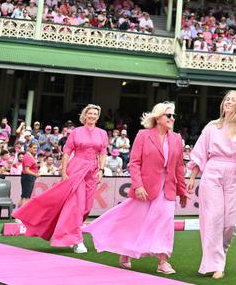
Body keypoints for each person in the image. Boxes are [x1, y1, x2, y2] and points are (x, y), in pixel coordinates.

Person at [83, 102, 187, 274]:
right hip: (146, 188)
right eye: (169, 115)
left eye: (174, 115)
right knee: (134, 220)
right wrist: (138, 185)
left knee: (166, 221)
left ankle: (163, 261)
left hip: (167, 188)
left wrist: (182, 191)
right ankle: (126, 252)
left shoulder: (176, 138)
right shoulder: (143, 135)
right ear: (158, 117)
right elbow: (134, 163)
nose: (172, 118)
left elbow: (179, 167)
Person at [13, 104, 108, 253]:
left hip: (93, 171)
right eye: (90, 113)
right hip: (76, 169)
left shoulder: (102, 133)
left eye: (95, 114)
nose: (92, 116)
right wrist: (64, 172)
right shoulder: (76, 132)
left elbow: (103, 153)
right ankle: (76, 240)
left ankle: (67, 233)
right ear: (85, 115)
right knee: (76, 205)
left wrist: (101, 170)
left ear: (98, 116)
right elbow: (67, 153)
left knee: (86, 208)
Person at [187, 90, 236, 279]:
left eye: (233, 100)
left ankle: (219, 253)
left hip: (235, 175)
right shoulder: (212, 127)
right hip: (212, 172)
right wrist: (192, 177)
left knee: (230, 224)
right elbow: (200, 152)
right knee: (213, 219)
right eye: (226, 99)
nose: (228, 102)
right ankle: (216, 264)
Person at [19, 143, 40, 208]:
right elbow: (27, 170)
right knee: (26, 197)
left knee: (23, 196)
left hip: (28, 177)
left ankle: (16, 214)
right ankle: (21, 215)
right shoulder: (28, 157)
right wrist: (35, 174)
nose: (35, 149)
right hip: (28, 177)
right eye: (34, 148)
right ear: (29, 148)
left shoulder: (30, 156)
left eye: (36, 148)